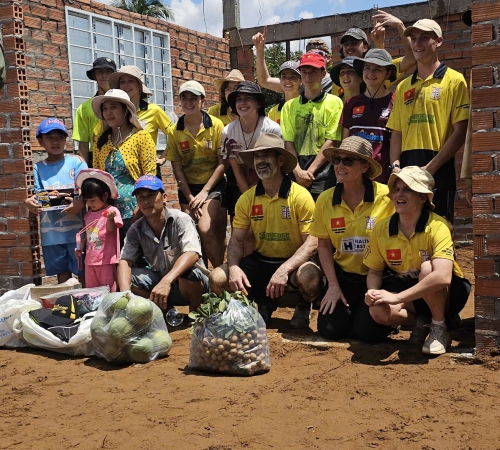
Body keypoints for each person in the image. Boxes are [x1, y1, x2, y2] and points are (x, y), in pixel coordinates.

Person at [210, 133, 323, 328]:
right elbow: (236, 240)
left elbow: (312, 243)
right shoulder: (247, 198)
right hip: (260, 261)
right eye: (256, 157)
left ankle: (303, 303)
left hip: (293, 264)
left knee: (310, 278)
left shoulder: (300, 196)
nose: (260, 161)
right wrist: (235, 267)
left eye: (266, 155)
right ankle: (253, 306)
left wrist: (284, 270)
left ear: (280, 160)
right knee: (218, 277)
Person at [364, 166, 471, 355]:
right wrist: (372, 291)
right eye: (396, 190)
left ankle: (439, 326)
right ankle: (422, 323)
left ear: (423, 197)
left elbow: (443, 277)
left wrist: (397, 298)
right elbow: (374, 270)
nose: (399, 195)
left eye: (407, 189)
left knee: (428, 268)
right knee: (377, 311)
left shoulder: (437, 225)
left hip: (446, 293)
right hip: (409, 290)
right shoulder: (381, 228)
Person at [309, 136, 394, 342]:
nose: (339, 166)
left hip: (378, 277)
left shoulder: (386, 196)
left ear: (365, 166)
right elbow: (324, 245)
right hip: (344, 277)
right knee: (330, 330)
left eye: (348, 161)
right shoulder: (325, 199)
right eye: (337, 160)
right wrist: (332, 286)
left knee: (368, 334)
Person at [387, 19, 470, 221]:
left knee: (440, 229)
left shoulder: (455, 80)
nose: (417, 44)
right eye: (413, 39)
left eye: (424, 37)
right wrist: (395, 165)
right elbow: (396, 132)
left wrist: (430, 168)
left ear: (439, 41)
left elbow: (460, 132)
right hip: (406, 168)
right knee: (408, 230)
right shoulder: (403, 86)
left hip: (438, 170)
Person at [118, 175, 208, 311]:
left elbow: (192, 253)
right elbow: (125, 261)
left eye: (151, 195)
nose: (146, 201)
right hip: (162, 282)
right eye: (141, 197)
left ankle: (195, 311)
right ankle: (164, 308)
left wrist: (166, 281)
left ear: (164, 197)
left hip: (194, 285)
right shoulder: (136, 229)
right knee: (129, 277)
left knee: (188, 274)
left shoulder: (181, 219)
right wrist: (125, 295)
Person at [166, 80, 225, 269]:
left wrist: (204, 193)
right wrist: (191, 197)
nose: (189, 102)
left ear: (202, 101)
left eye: (194, 98)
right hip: (188, 188)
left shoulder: (216, 126)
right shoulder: (175, 131)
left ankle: (219, 279)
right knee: (193, 234)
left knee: (205, 228)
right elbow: (177, 169)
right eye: (185, 98)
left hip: (213, 185)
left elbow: (222, 163)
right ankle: (205, 278)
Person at [25, 119, 87, 284]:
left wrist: (80, 201)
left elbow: (86, 186)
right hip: (51, 235)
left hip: (78, 233)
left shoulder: (77, 162)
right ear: (40, 141)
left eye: (60, 137)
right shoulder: (38, 168)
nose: (55, 141)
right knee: (63, 278)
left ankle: (87, 307)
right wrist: (30, 202)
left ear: (66, 139)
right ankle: (67, 306)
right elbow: (37, 194)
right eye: (49, 137)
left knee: (84, 274)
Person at [92, 89, 157, 238]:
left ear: (125, 110)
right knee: (114, 256)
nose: (108, 112)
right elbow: (96, 175)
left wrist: (142, 206)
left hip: (136, 211)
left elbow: (149, 175)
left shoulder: (141, 137)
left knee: (140, 255)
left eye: (113, 107)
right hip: (109, 214)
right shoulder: (100, 141)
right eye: (105, 108)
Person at [280, 52, 343, 199]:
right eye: (304, 72)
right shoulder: (289, 106)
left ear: (323, 73)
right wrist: (297, 171)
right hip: (296, 169)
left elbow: (332, 140)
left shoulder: (334, 102)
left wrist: (310, 172)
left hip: (324, 172)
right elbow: (287, 141)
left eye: (313, 71)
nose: (308, 76)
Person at [341, 49, 397, 184]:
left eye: (377, 69)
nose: (371, 73)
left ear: (387, 73)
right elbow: (345, 142)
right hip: (353, 176)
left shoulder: (396, 102)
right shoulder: (351, 103)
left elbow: (397, 141)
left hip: (382, 177)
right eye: (367, 68)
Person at [223, 81, 282, 200]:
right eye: (238, 99)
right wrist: (248, 197)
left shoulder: (271, 128)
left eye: (248, 98)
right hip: (240, 180)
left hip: (270, 176)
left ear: (258, 103)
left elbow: (277, 165)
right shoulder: (228, 131)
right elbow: (236, 169)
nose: (242, 103)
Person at [107, 65, 172, 171]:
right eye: (122, 82)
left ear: (139, 86)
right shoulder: (114, 113)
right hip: (121, 171)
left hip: (148, 169)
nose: (126, 85)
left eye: (130, 81)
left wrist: (163, 157)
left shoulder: (153, 110)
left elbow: (175, 135)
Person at [75, 169, 123, 292]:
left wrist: (111, 219)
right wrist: (80, 248)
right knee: (92, 292)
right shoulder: (88, 214)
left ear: (105, 195)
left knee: (108, 290)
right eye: (87, 201)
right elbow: (87, 235)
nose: (90, 204)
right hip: (89, 260)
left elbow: (112, 229)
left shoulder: (112, 211)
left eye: (93, 200)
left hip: (106, 260)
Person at [252, 28, 333, 94]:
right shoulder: (299, 80)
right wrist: (260, 50)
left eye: (318, 54)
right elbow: (264, 81)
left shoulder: (335, 82)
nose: (313, 57)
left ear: (328, 57)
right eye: (309, 54)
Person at [73, 57, 116, 166]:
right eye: (100, 72)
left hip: (123, 153)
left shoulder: (125, 103)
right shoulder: (84, 108)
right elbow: (83, 144)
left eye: (108, 72)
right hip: (96, 156)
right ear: (94, 76)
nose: (104, 75)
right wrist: (84, 172)